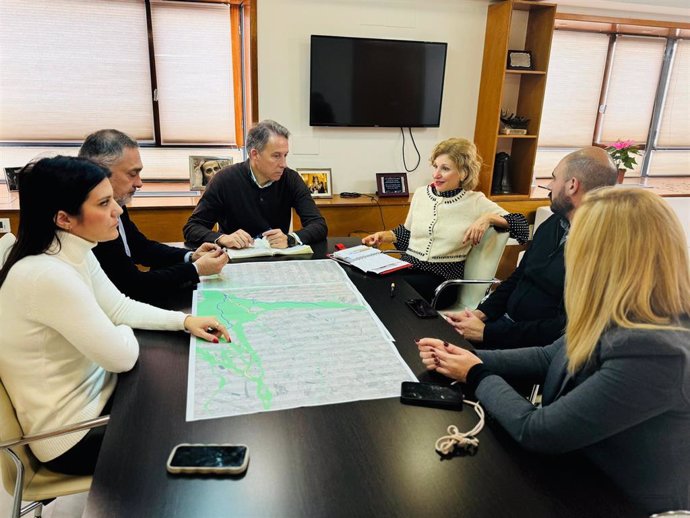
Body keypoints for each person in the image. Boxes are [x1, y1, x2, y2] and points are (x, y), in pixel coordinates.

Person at [417, 187, 690, 514]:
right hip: (574, 469)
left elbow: (538, 430)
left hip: (613, 497)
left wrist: (475, 373)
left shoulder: (656, 350)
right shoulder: (617, 309)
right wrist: (463, 357)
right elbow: (550, 356)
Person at [0, 156, 230, 475]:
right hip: (71, 436)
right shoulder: (45, 275)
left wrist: (183, 321)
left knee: (193, 393)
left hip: (102, 395)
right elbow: (122, 356)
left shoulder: (73, 249)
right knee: (199, 420)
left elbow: (119, 307)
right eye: (105, 203)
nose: (118, 211)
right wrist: (112, 324)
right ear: (64, 218)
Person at [445, 146, 617, 347]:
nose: (550, 186)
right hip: (503, 327)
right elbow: (519, 277)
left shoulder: (604, 248)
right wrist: (481, 313)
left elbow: (562, 328)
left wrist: (489, 333)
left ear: (572, 185)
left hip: (530, 346)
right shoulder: (553, 224)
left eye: (554, 178)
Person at [362, 138, 528, 307]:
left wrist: (488, 218)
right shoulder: (420, 194)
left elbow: (521, 224)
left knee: (383, 290)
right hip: (408, 269)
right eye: (435, 166)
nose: (436, 174)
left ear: (463, 172)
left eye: (445, 168)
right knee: (365, 278)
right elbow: (408, 234)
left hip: (441, 283)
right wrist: (384, 236)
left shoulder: (475, 201)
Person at [79, 129, 228, 305]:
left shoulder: (118, 204)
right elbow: (132, 285)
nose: (139, 183)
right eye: (132, 174)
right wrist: (195, 269)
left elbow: (141, 248)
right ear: (100, 172)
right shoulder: (90, 220)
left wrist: (192, 256)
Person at [183, 120, 328, 250]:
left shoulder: (290, 178)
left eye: (285, 155)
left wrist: (291, 239)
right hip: (233, 260)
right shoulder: (224, 179)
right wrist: (223, 238)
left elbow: (318, 225)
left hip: (276, 259)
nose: (283, 164)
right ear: (254, 154)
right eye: (276, 156)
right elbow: (192, 228)